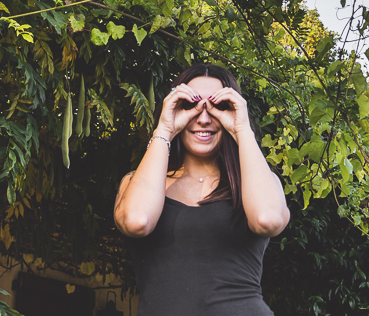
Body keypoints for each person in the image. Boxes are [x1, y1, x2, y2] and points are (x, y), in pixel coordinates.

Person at [114, 64, 290, 315]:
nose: (204, 118)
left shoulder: (256, 183)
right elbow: (136, 221)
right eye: (191, 104)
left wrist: (242, 130)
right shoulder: (135, 182)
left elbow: (268, 220)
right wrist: (165, 129)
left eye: (218, 106)